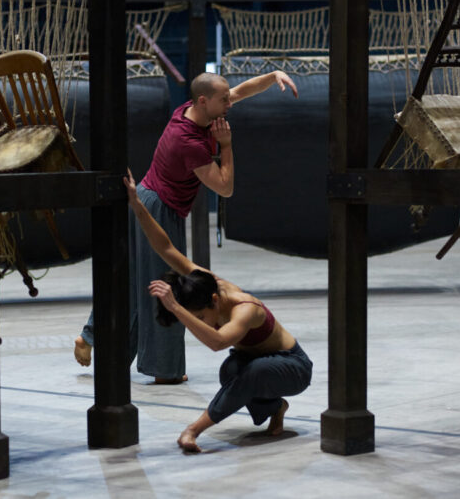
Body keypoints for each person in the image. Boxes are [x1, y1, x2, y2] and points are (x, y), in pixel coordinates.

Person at [75, 70, 299, 383]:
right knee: (169, 287)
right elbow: (225, 187)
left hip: (144, 201)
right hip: (159, 209)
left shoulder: (194, 110)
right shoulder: (189, 141)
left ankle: (90, 337)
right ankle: (164, 369)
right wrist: (227, 146)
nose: (229, 103)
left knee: (129, 281)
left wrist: (272, 76)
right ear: (205, 101)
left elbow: (240, 91)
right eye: (223, 100)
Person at [123, 169, 312, 452]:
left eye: (201, 318)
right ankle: (275, 407)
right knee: (230, 370)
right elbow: (165, 247)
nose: (203, 324)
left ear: (214, 301)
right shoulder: (203, 280)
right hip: (259, 364)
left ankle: (193, 430)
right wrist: (138, 205)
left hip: (293, 367)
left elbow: (218, 342)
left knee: (251, 372)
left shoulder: (245, 309)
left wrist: (174, 307)